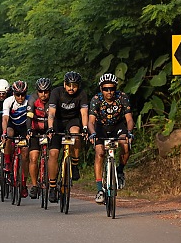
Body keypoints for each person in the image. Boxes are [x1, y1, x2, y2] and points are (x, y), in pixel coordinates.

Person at [88, 73, 135, 204]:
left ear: (116, 88)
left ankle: (119, 171)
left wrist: (129, 132)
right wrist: (92, 133)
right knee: (100, 153)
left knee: (125, 144)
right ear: (101, 89)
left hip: (117, 126)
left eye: (112, 88)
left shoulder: (122, 97)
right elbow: (90, 121)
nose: (109, 92)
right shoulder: (96, 99)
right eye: (106, 89)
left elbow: (129, 119)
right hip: (101, 127)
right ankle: (99, 190)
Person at [46, 71, 89, 203]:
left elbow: (84, 113)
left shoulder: (82, 94)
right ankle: (52, 187)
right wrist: (50, 127)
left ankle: (74, 164)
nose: (71, 88)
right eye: (69, 85)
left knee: (76, 133)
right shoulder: (56, 92)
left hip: (72, 120)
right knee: (53, 153)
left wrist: (86, 127)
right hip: (58, 122)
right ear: (64, 84)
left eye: (74, 85)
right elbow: (52, 112)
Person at [2, 80, 32, 198]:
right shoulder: (8, 101)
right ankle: (8, 163)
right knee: (9, 134)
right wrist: (4, 133)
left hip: (24, 127)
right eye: (17, 94)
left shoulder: (30, 101)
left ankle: (23, 183)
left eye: (23, 94)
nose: (20, 97)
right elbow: (5, 119)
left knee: (25, 154)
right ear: (13, 93)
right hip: (12, 125)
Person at [26, 78, 52, 197]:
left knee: (53, 156)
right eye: (41, 92)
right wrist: (29, 130)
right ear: (37, 91)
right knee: (34, 157)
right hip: (35, 129)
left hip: (49, 129)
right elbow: (29, 116)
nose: (43, 94)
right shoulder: (32, 99)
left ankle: (52, 182)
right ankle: (35, 185)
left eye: (46, 92)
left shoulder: (53, 99)